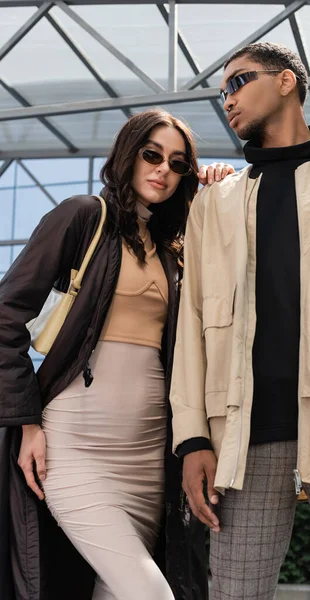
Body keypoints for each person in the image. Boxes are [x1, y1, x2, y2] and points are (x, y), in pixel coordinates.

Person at [170, 42, 310, 600]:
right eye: (220, 90)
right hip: (241, 440)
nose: (227, 99)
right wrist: (192, 438)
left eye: (238, 82)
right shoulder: (214, 203)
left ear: (287, 81)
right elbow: (191, 328)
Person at [0, 108, 234, 600]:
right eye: (151, 155)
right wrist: (26, 423)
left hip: (149, 454)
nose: (162, 170)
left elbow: (223, 307)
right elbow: (6, 316)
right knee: (152, 594)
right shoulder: (84, 216)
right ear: (129, 156)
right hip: (75, 447)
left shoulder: (173, 248)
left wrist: (215, 197)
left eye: (177, 163)